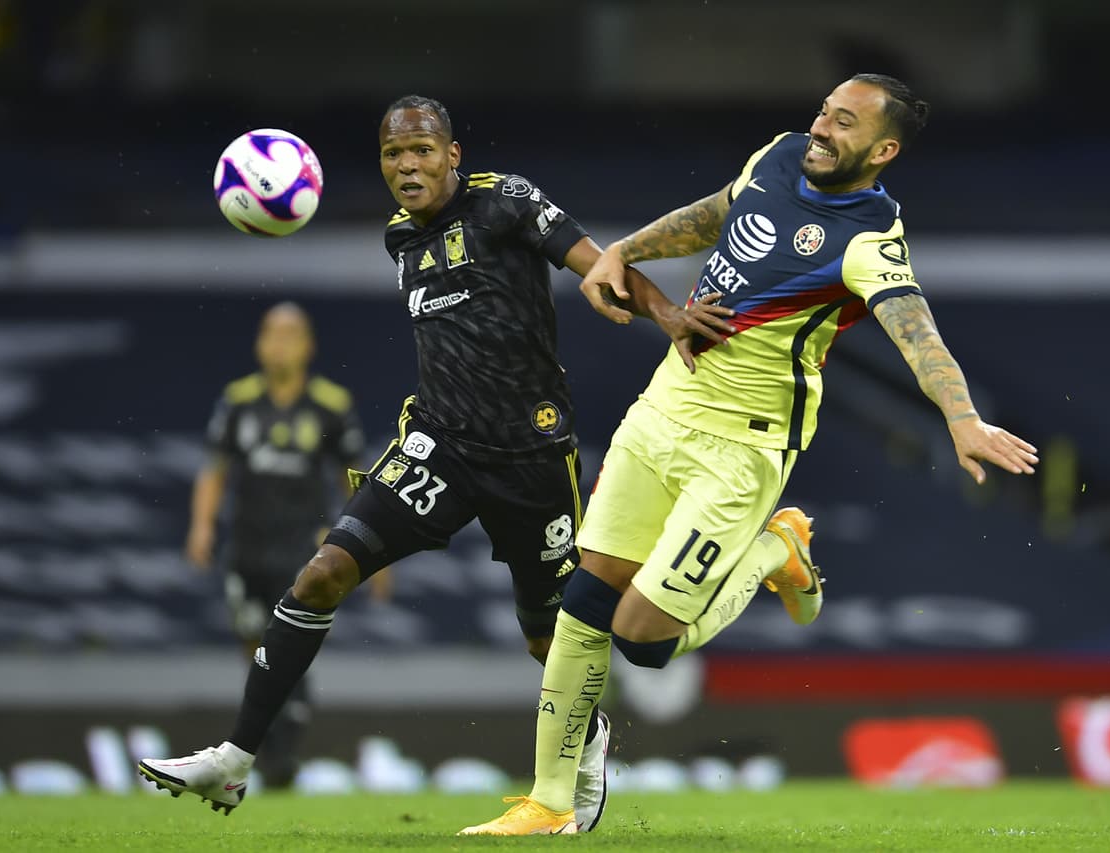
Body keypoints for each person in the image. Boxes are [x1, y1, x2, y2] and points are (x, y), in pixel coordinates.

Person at [460, 73, 1040, 835]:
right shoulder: (779, 156)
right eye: (824, 113)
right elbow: (711, 216)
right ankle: (548, 798)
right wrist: (624, 251)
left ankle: (778, 547)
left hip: (742, 448)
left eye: (845, 124)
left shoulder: (869, 238)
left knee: (641, 638)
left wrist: (961, 417)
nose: (823, 130)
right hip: (662, 410)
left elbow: (917, 330)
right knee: (582, 604)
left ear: (883, 149)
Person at [139, 95, 720, 828]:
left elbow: (594, 264)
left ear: (452, 154)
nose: (407, 166)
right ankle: (234, 759)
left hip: (532, 457)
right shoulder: (398, 238)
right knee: (322, 574)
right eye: (392, 154)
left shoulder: (506, 202)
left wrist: (667, 317)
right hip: (439, 446)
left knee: (550, 638)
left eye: (421, 151)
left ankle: (589, 734)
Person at [183, 301, 367, 787]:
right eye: (270, 334)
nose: (279, 344)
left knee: (288, 641)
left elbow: (352, 477)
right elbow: (214, 468)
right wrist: (201, 527)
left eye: (289, 335)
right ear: (259, 344)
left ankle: (280, 754)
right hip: (246, 545)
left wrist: (373, 548)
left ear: (308, 346)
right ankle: (273, 738)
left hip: (302, 550)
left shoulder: (330, 403)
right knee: (253, 645)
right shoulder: (239, 399)